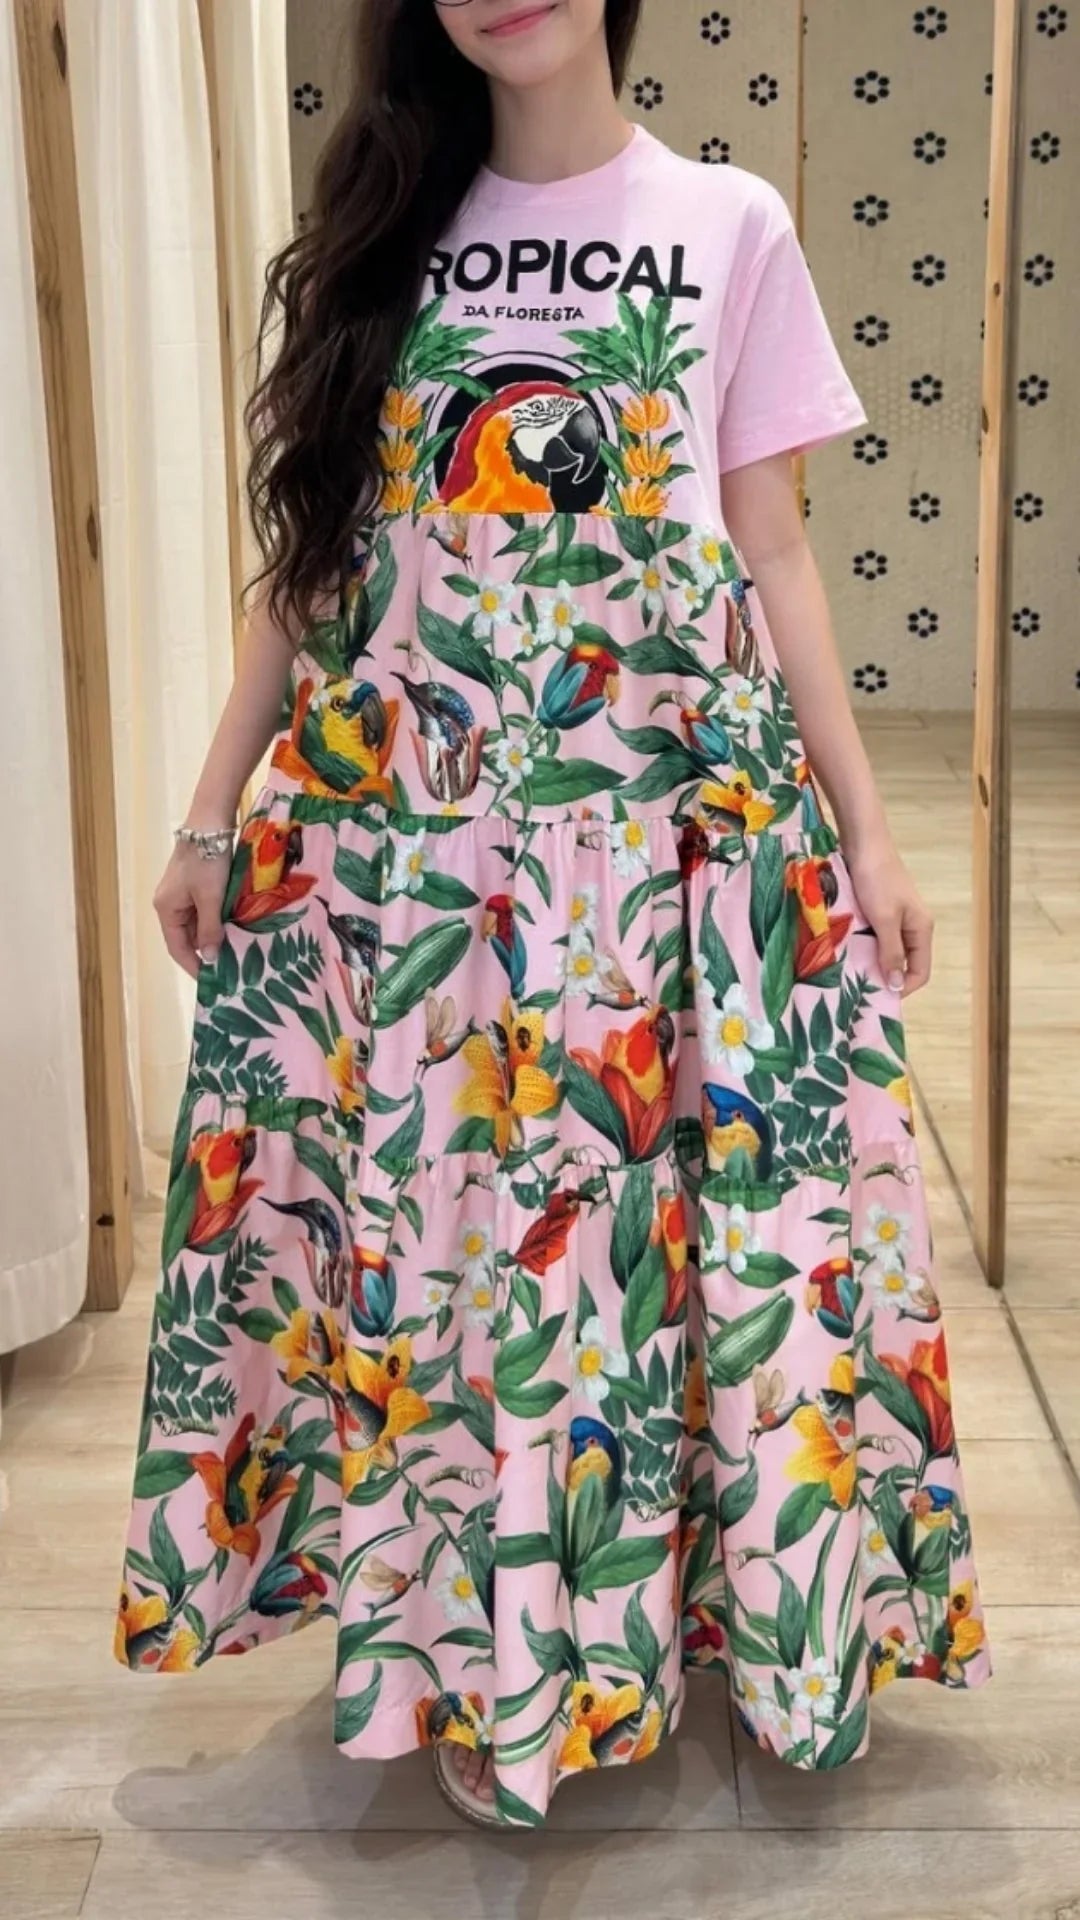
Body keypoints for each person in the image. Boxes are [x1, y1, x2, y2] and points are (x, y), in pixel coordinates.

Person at [114, 0, 992, 1831]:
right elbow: (311, 562)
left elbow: (771, 546)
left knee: (681, 1256)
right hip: (419, 855)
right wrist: (210, 807)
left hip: (668, 845)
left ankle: (672, 1623)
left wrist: (870, 834)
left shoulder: (728, 221)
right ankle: (473, 1650)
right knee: (452, 1262)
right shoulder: (380, 234)